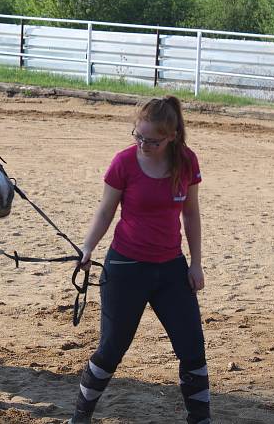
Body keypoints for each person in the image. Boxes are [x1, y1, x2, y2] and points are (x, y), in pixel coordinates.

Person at [68, 96, 210, 424]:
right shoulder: (124, 163)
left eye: (152, 140)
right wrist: (88, 247)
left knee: (192, 348)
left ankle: (200, 420)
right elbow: (106, 211)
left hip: (171, 269)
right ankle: (79, 418)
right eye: (138, 136)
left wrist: (196, 263)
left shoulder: (186, 162)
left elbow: (191, 214)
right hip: (125, 268)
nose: (143, 144)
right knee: (111, 351)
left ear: (172, 136)